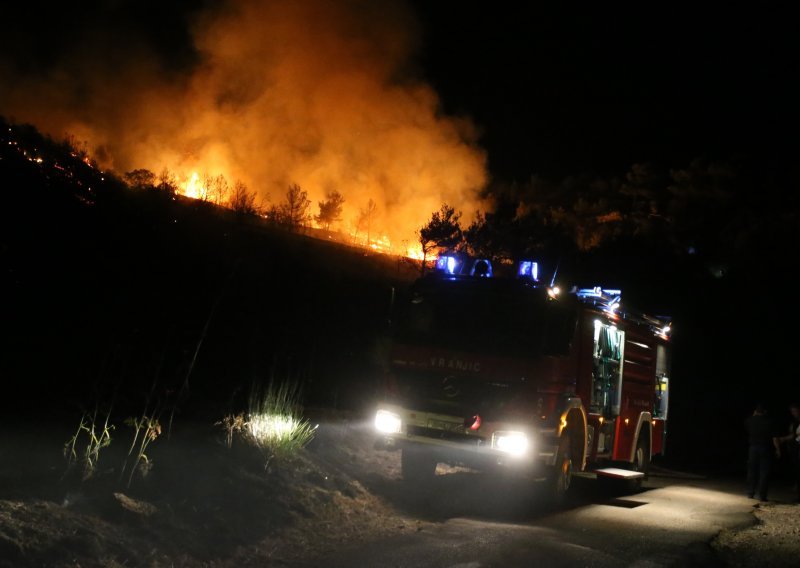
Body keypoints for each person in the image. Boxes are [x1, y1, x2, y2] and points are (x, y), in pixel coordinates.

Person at [744, 403, 780, 502]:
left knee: (752, 471)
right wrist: (778, 449)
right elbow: (775, 438)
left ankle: (750, 492)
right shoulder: (770, 422)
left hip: (753, 448)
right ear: (765, 412)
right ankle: (762, 495)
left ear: (756, 411)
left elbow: (748, 425)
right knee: (764, 472)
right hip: (765, 448)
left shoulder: (749, 420)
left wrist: (753, 416)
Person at [774, 402, 800, 501]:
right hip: (795, 447)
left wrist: (783, 439)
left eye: (795, 411)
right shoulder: (795, 422)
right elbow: (794, 435)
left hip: (797, 446)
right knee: (796, 467)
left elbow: (795, 435)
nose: (793, 413)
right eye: (792, 411)